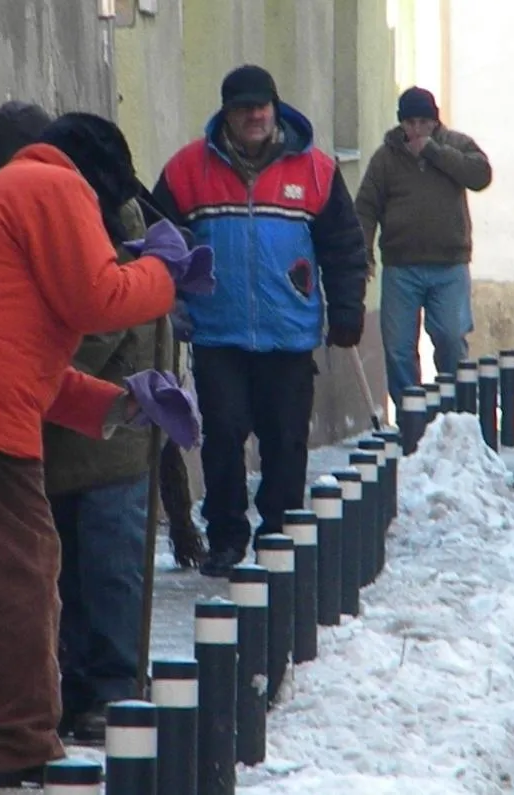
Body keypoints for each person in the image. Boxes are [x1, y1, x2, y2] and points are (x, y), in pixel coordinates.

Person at [0, 110, 207, 787]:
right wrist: (162, 273)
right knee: (27, 571)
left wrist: (120, 404)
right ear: (98, 180)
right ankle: (22, 739)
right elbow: (97, 299)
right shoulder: (55, 186)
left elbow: (17, 354)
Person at [153, 64, 368, 578]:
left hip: (288, 333)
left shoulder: (315, 171)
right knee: (223, 436)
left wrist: (347, 310)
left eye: (262, 106)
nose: (255, 115)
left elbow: (344, 247)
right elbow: (159, 240)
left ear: (275, 108)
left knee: (285, 439)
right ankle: (226, 537)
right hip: (217, 331)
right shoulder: (188, 170)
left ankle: (279, 533)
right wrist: (171, 300)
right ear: (226, 114)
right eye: (244, 108)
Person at [35, 113, 171, 745]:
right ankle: (77, 689)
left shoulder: (118, 228)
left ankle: (115, 691)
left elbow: (108, 321)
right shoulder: (68, 215)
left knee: (110, 567)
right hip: (62, 425)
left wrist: (31, 377)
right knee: (69, 571)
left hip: (110, 427)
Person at [354, 86, 492, 411]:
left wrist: (434, 152)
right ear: (401, 123)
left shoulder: (456, 144)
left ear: (435, 121)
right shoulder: (386, 158)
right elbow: (366, 207)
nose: (417, 130)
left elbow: (481, 175)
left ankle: (455, 412)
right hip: (401, 266)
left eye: (424, 122)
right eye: (410, 123)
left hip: (450, 264)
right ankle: (410, 417)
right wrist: (363, 254)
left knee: (450, 337)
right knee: (398, 348)